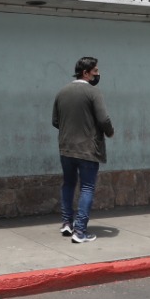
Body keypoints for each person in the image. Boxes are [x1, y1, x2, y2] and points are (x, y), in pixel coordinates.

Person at [52, 56, 114, 244]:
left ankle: (66, 223)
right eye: (95, 71)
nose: (98, 74)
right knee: (87, 187)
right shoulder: (93, 92)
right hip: (87, 149)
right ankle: (80, 231)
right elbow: (103, 119)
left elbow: (55, 121)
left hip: (66, 149)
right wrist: (109, 132)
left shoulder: (62, 92)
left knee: (68, 184)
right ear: (85, 73)